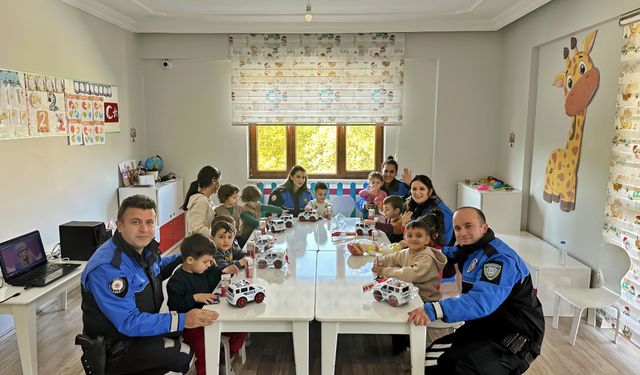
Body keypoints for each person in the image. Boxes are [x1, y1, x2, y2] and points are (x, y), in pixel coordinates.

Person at [80, 195, 218, 374]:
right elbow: (128, 322)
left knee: (188, 336)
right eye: (136, 222)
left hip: (138, 333)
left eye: (150, 222)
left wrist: (192, 257)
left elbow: (158, 267)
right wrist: (184, 319)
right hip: (115, 346)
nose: (144, 229)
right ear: (120, 225)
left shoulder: (141, 250)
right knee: (184, 355)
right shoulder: (108, 267)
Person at [407, 207, 544, 374]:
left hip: (515, 336)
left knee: (460, 367)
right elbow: (449, 252)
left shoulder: (499, 259)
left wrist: (435, 309)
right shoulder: (471, 248)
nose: (462, 233)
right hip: (486, 326)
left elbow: (481, 301)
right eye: (457, 228)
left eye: (468, 226)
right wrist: (414, 248)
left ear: (484, 228)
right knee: (430, 359)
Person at [167, 233, 247, 375]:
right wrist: (195, 298)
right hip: (192, 326)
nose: (209, 265)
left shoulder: (205, 269)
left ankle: (225, 356)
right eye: (206, 262)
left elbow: (215, 271)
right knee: (205, 352)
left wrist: (224, 269)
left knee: (241, 327)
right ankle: (210, 366)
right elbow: (175, 307)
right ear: (190, 260)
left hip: (213, 316)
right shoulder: (177, 281)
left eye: (210, 261)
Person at [372, 219, 447, 303]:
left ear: (427, 240)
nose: (414, 239)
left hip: (425, 298)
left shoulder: (427, 257)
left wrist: (384, 271)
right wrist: (379, 261)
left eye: (419, 236)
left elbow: (410, 274)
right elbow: (393, 258)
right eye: (410, 236)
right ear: (405, 239)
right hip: (409, 292)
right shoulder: (407, 252)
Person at [402, 175, 454, 246]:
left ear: (430, 191)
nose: (417, 193)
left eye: (422, 189)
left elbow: (444, 242)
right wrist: (404, 225)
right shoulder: (412, 204)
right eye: (414, 189)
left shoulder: (441, 211)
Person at [182, 166, 221, 237]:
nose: (220, 184)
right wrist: (215, 236)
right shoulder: (201, 201)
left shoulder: (206, 199)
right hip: (198, 244)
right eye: (219, 180)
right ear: (213, 181)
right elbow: (197, 229)